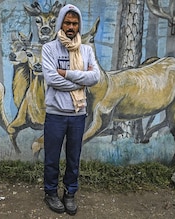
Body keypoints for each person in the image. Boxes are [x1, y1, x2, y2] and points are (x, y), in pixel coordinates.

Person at [41, 4, 100, 215]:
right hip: (55, 114)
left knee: (74, 158)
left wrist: (66, 74)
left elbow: (96, 77)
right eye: (67, 22)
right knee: (52, 158)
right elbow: (51, 78)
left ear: (79, 26)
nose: (71, 27)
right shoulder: (49, 49)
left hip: (78, 114)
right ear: (60, 23)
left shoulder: (86, 50)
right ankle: (50, 192)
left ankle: (70, 193)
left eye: (74, 23)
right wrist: (80, 80)